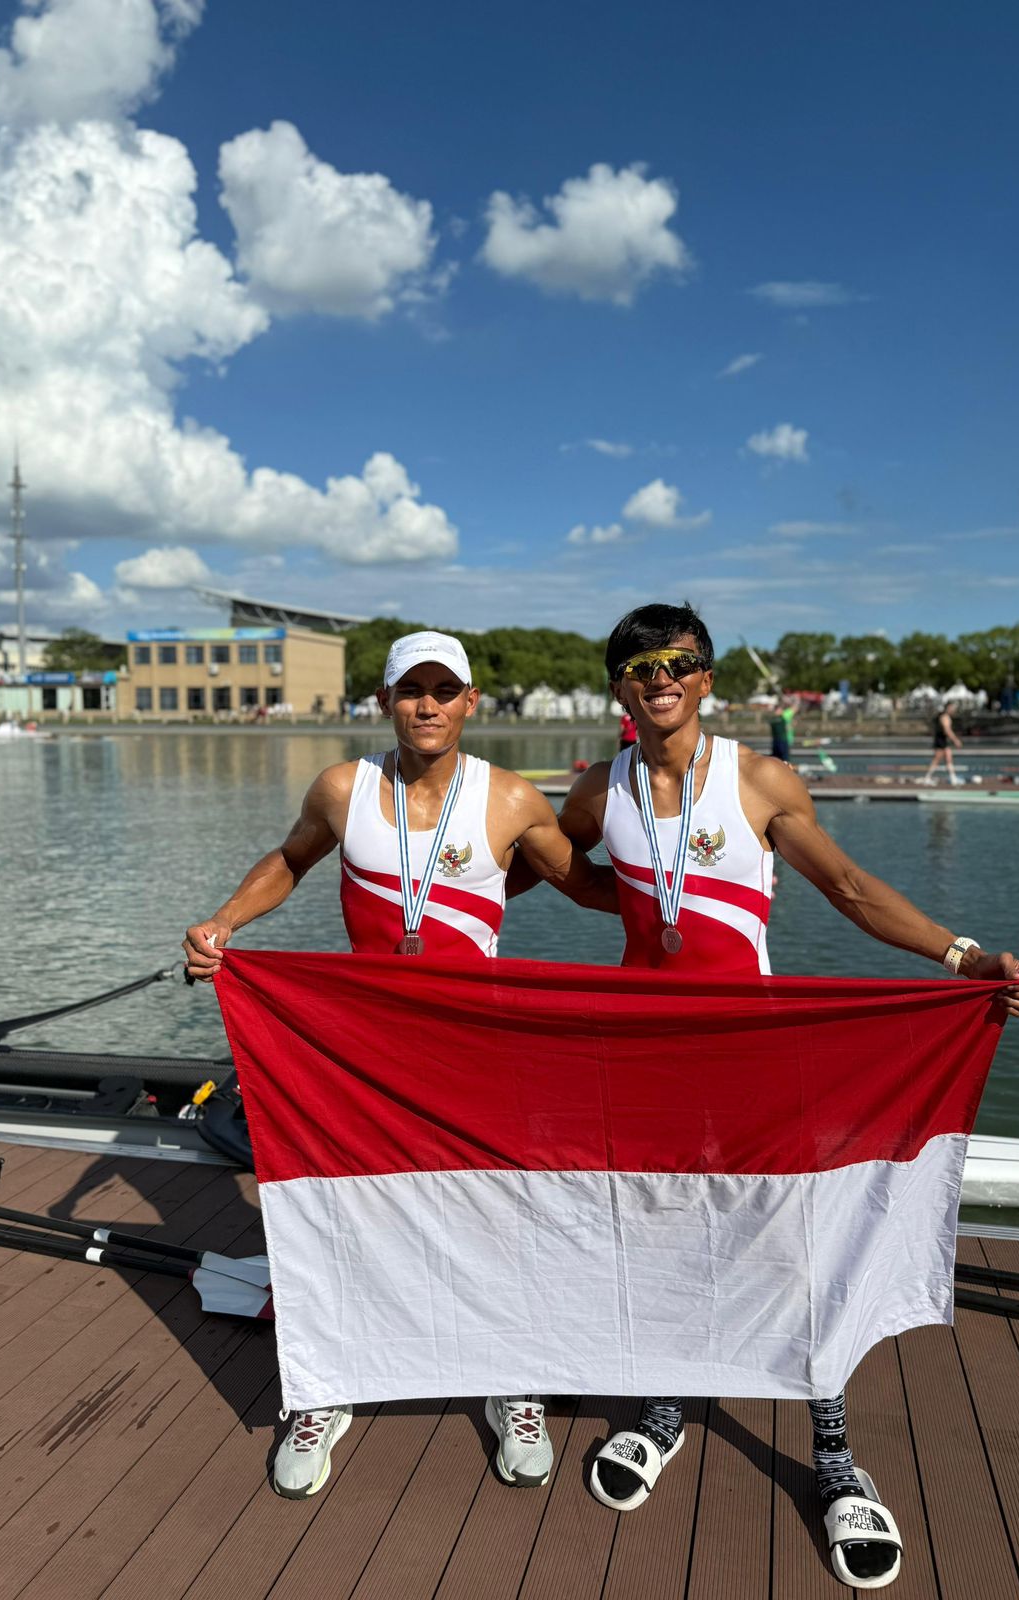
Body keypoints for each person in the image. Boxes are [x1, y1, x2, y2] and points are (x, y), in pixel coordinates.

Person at [552, 602, 1019, 1590]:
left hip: (752, 1057)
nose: (661, 677)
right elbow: (558, 863)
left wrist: (963, 956)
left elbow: (850, 887)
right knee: (662, 1234)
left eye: (678, 661)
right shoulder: (599, 787)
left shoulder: (761, 778)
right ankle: (664, 1410)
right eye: (641, 665)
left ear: (705, 676)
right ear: (620, 687)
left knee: (792, 1245)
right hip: (650, 1062)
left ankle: (832, 1455)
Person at [183, 629, 616, 1502]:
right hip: (366, 1043)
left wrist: (733, 867)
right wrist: (225, 922)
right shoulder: (344, 789)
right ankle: (327, 1389)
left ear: (469, 702)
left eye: (443, 689)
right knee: (349, 1208)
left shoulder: (513, 801)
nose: (427, 704)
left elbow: (595, 887)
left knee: (496, 1210)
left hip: (476, 1047)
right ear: (385, 701)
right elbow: (291, 861)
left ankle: (512, 1380)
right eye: (410, 689)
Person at [920, 700, 962, 786]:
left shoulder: (943, 716)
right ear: (948, 708)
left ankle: (953, 778)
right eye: (952, 708)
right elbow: (947, 730)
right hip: (940, 740)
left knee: (948, 758)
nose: (954, 710)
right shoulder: (945, 717)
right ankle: (927, 778)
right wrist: (955, 740)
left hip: (942, 740)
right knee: (937, 759)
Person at [769, 695, 797, 763]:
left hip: (784, 740)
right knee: (782, 759)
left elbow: (794, 709)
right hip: (781, 740)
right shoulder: (784, 715)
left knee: (781, 759)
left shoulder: (784, 715)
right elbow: (794, 708)